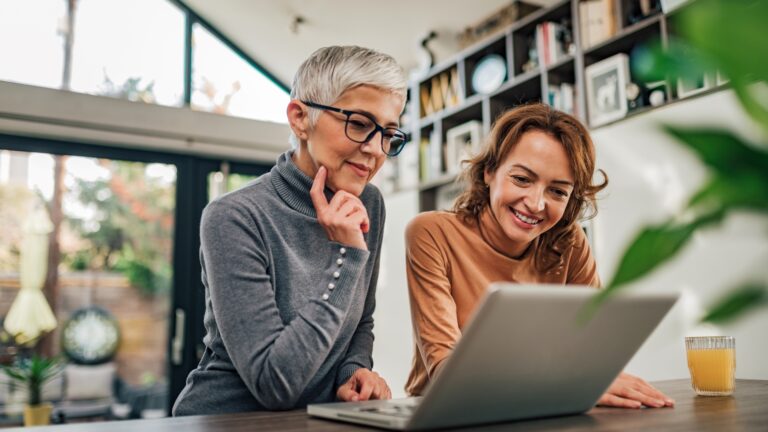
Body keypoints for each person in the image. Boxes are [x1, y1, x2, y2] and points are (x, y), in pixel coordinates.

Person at [173, 45, 407, 415]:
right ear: (300, 118)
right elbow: (274, 384)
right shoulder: (233, 217)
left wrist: (354, 369)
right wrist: (346, 257)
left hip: (315, 420)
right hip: (227, 421)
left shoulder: (369, 204)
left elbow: (360, 318)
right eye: (360, 124)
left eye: (388, 133)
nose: (375, 149)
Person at [404, 103, 675, 409]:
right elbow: (446, 372)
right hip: (445, 413)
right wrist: (573, 383)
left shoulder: (569, 241)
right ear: (490, 171)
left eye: (557, 191)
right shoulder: (431, 233)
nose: (535, 204)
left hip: (544, 408)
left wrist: (596, 380)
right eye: (521, 179)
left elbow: (593, 354)